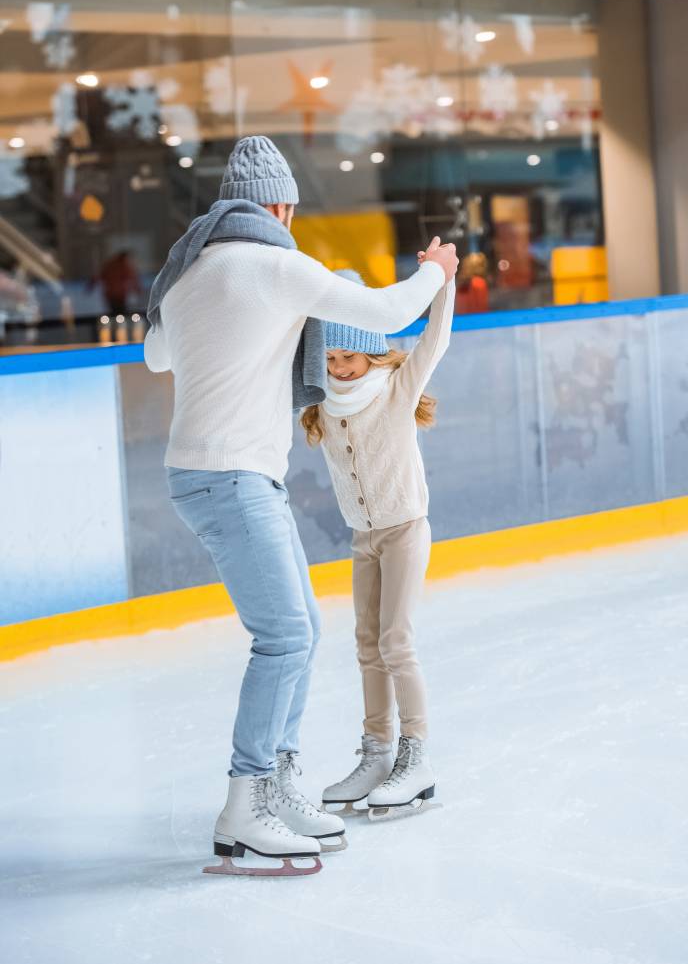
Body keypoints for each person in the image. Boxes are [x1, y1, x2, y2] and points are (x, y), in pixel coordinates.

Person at [143, 135, 458, 876]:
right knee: (284, 637)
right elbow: (384, 311)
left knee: (303, 628)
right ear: (277, 205)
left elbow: (157, 354)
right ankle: (245, 800)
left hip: (213, 476)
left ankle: (278, 783)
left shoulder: (190, 274)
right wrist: (435, 271)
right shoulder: (276, 264)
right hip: (233, 477)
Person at [300, 266, 455, 821]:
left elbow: (434, 339)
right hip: (363, 539)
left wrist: (444, 281)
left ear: (371, 352)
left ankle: (416, 758)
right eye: (331, 358)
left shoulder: (394, 389)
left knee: (396, 642)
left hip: (406, 530)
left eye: (350, 358)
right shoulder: (321, 402)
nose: (340, 368)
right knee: (366, 645)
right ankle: (376, 752)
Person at [95, 250, 142, 315]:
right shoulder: (122, 266)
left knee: (116, 312)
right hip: (116, 295)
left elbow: (98, 276)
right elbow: (133, 278)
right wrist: (137, 289)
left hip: (114, 294)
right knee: (118, 312)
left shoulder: (110, 265)